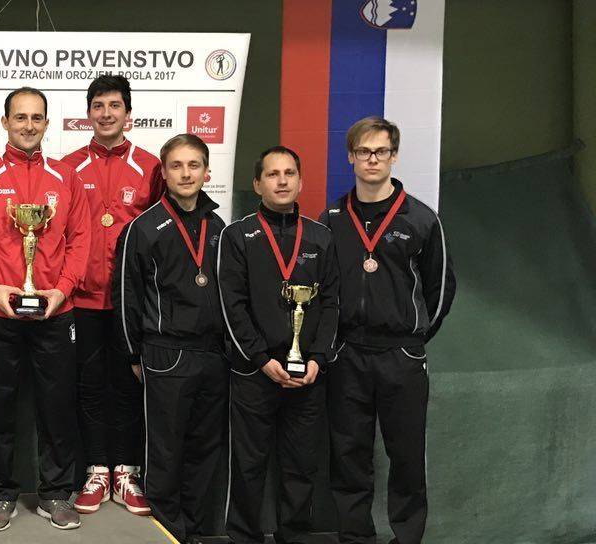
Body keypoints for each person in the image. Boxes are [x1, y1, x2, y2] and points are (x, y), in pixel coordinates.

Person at [0, 87, 91, 532]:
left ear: (46, 124)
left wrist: (62, 291)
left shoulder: (66, 177)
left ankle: (56, 493)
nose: (28, 125)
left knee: (58, 406)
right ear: (5, 122)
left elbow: (81, 240)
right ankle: (0, 493)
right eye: (20, 117)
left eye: (36, 118)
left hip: (55, 311)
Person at [319, 116, 456, 544]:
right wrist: (333, 343)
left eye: (381, 151)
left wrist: (414, 337)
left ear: (394, 156)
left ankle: (407, 537)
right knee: (348, 455)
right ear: (350, 157)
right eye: (364, 151)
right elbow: (322, 288)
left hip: (401, 355)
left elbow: (441, 288)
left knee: (407, 455)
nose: (372, 159)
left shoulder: (421, 218)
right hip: (347, 354)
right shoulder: (332, 217)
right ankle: (355, 537)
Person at [218, 146, 340, 544]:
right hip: (255, 372)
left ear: (301, 181)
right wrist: (260, 358)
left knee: (301, 465)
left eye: (289, 173)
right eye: (272, 174)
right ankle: (244, 536)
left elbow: (332, 304)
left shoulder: (321, 236)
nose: (282, 181)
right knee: (249, 464)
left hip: (308, 374)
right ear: (257, 184)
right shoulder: (238, 236)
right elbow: (232, 305)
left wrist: (318, 358)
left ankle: (295, 536)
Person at [113, 134, 226, 542]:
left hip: (213, 354)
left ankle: (194, 531)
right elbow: (126, 295)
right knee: (165, 453)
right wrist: (133, 354)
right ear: (163, 172)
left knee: (204, 449)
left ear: (207, 171)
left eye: (194, 165)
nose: (186, 173)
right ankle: (168, 534)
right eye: (176, 165)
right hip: (165, 352)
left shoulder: (219, 227)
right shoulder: (142, 228)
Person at [60, 74, 162, 516]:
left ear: (128, 113)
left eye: (114, 105)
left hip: (130, 303)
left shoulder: (152, 167)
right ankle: (96, 470)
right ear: (88, 114)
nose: (106, 114)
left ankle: (126, 472)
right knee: (88, 387)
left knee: (127, 386)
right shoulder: (67, 167)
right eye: (98, 106)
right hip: (81, 300)